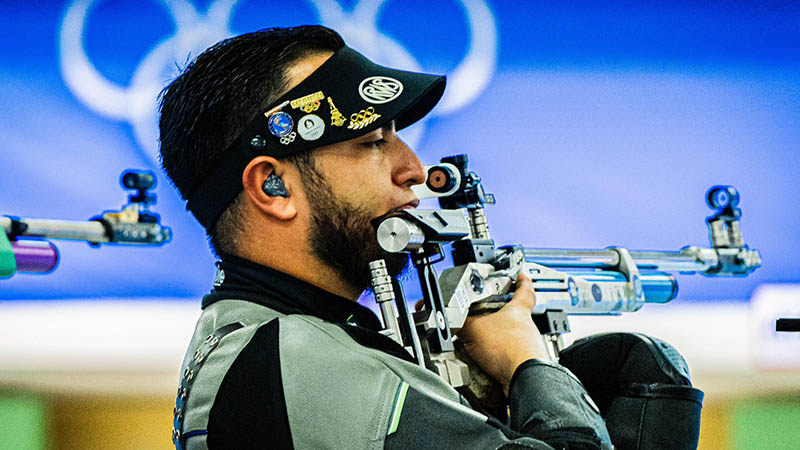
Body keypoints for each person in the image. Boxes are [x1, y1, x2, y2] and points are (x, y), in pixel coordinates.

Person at [159, 26, 701, 450]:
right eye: (372, 141)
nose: (415, 169)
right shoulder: (293, 358)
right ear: (272, 186)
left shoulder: (270, 343)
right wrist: (527, 364)